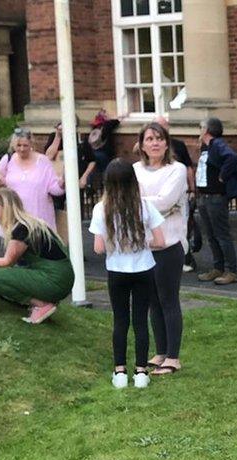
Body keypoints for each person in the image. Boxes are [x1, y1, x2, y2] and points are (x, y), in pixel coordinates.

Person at [90, 159, 165, 389]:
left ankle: (120, 371)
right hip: (144, 268)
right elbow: (161, 241)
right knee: (140, 320)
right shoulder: (144, 206)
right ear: (133, 181)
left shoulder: (101, 209)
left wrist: (117, 245)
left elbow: (98, 248)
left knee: (120, 320)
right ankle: (141, 372)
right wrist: (140, 244)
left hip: (116, 270)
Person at [0, 187, 74, 323]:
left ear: (4, 207)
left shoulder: (21, 229)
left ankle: (41, 305)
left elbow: (7, 262)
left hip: (55, 280)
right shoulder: (25, 223)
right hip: (58, 276)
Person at [133, 122, 189, 376]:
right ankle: (161, 350)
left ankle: (173, 357)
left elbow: (166, 201)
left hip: (169, 244)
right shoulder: (134, 170)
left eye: (159, 138)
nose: (154, 143)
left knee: (168, 299)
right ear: (142, 144)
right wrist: (149, 204)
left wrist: (139, 203)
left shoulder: (176, 170)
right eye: (149, 139)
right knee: (152, 301)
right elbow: (128, 199)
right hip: (144, 245)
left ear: (166, 143)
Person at [196, 117, 237, 285]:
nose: (199, 130)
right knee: (211, 235)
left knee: (222, 235)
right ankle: (218, 267)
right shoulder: (205, 147)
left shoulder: (217, 144)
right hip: (204, 196)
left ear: (207, 130)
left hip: (216, 197)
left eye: (201, 127)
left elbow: (232, 158)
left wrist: (223, 176)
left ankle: (232, 271)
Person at [0, 128, 64, 230]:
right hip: (14, 219)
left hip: (39, 220)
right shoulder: (7, 160)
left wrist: (62, 183)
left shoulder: (43, 162)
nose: (22, 149)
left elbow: (53, 188)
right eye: (18, 145)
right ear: (13, 145)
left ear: (31, 144)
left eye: (25, 145)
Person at [154, 116, 198, 272]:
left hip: (178, 196)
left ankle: (184, 258)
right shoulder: (147, 148)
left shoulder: (178, 146)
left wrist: (192, 189)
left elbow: (188, 168)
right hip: (157, 195)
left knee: (182, 226)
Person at [44, 120, 97, 244]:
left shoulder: (82, 141)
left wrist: (84, 177)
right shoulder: (54, 137)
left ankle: (75, 245)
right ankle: (57, 242)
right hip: (58, 183)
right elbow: (48, 156)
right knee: (56, 211)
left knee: (76, 214)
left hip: (76, 182)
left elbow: (91, 160)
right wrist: (58, 136)